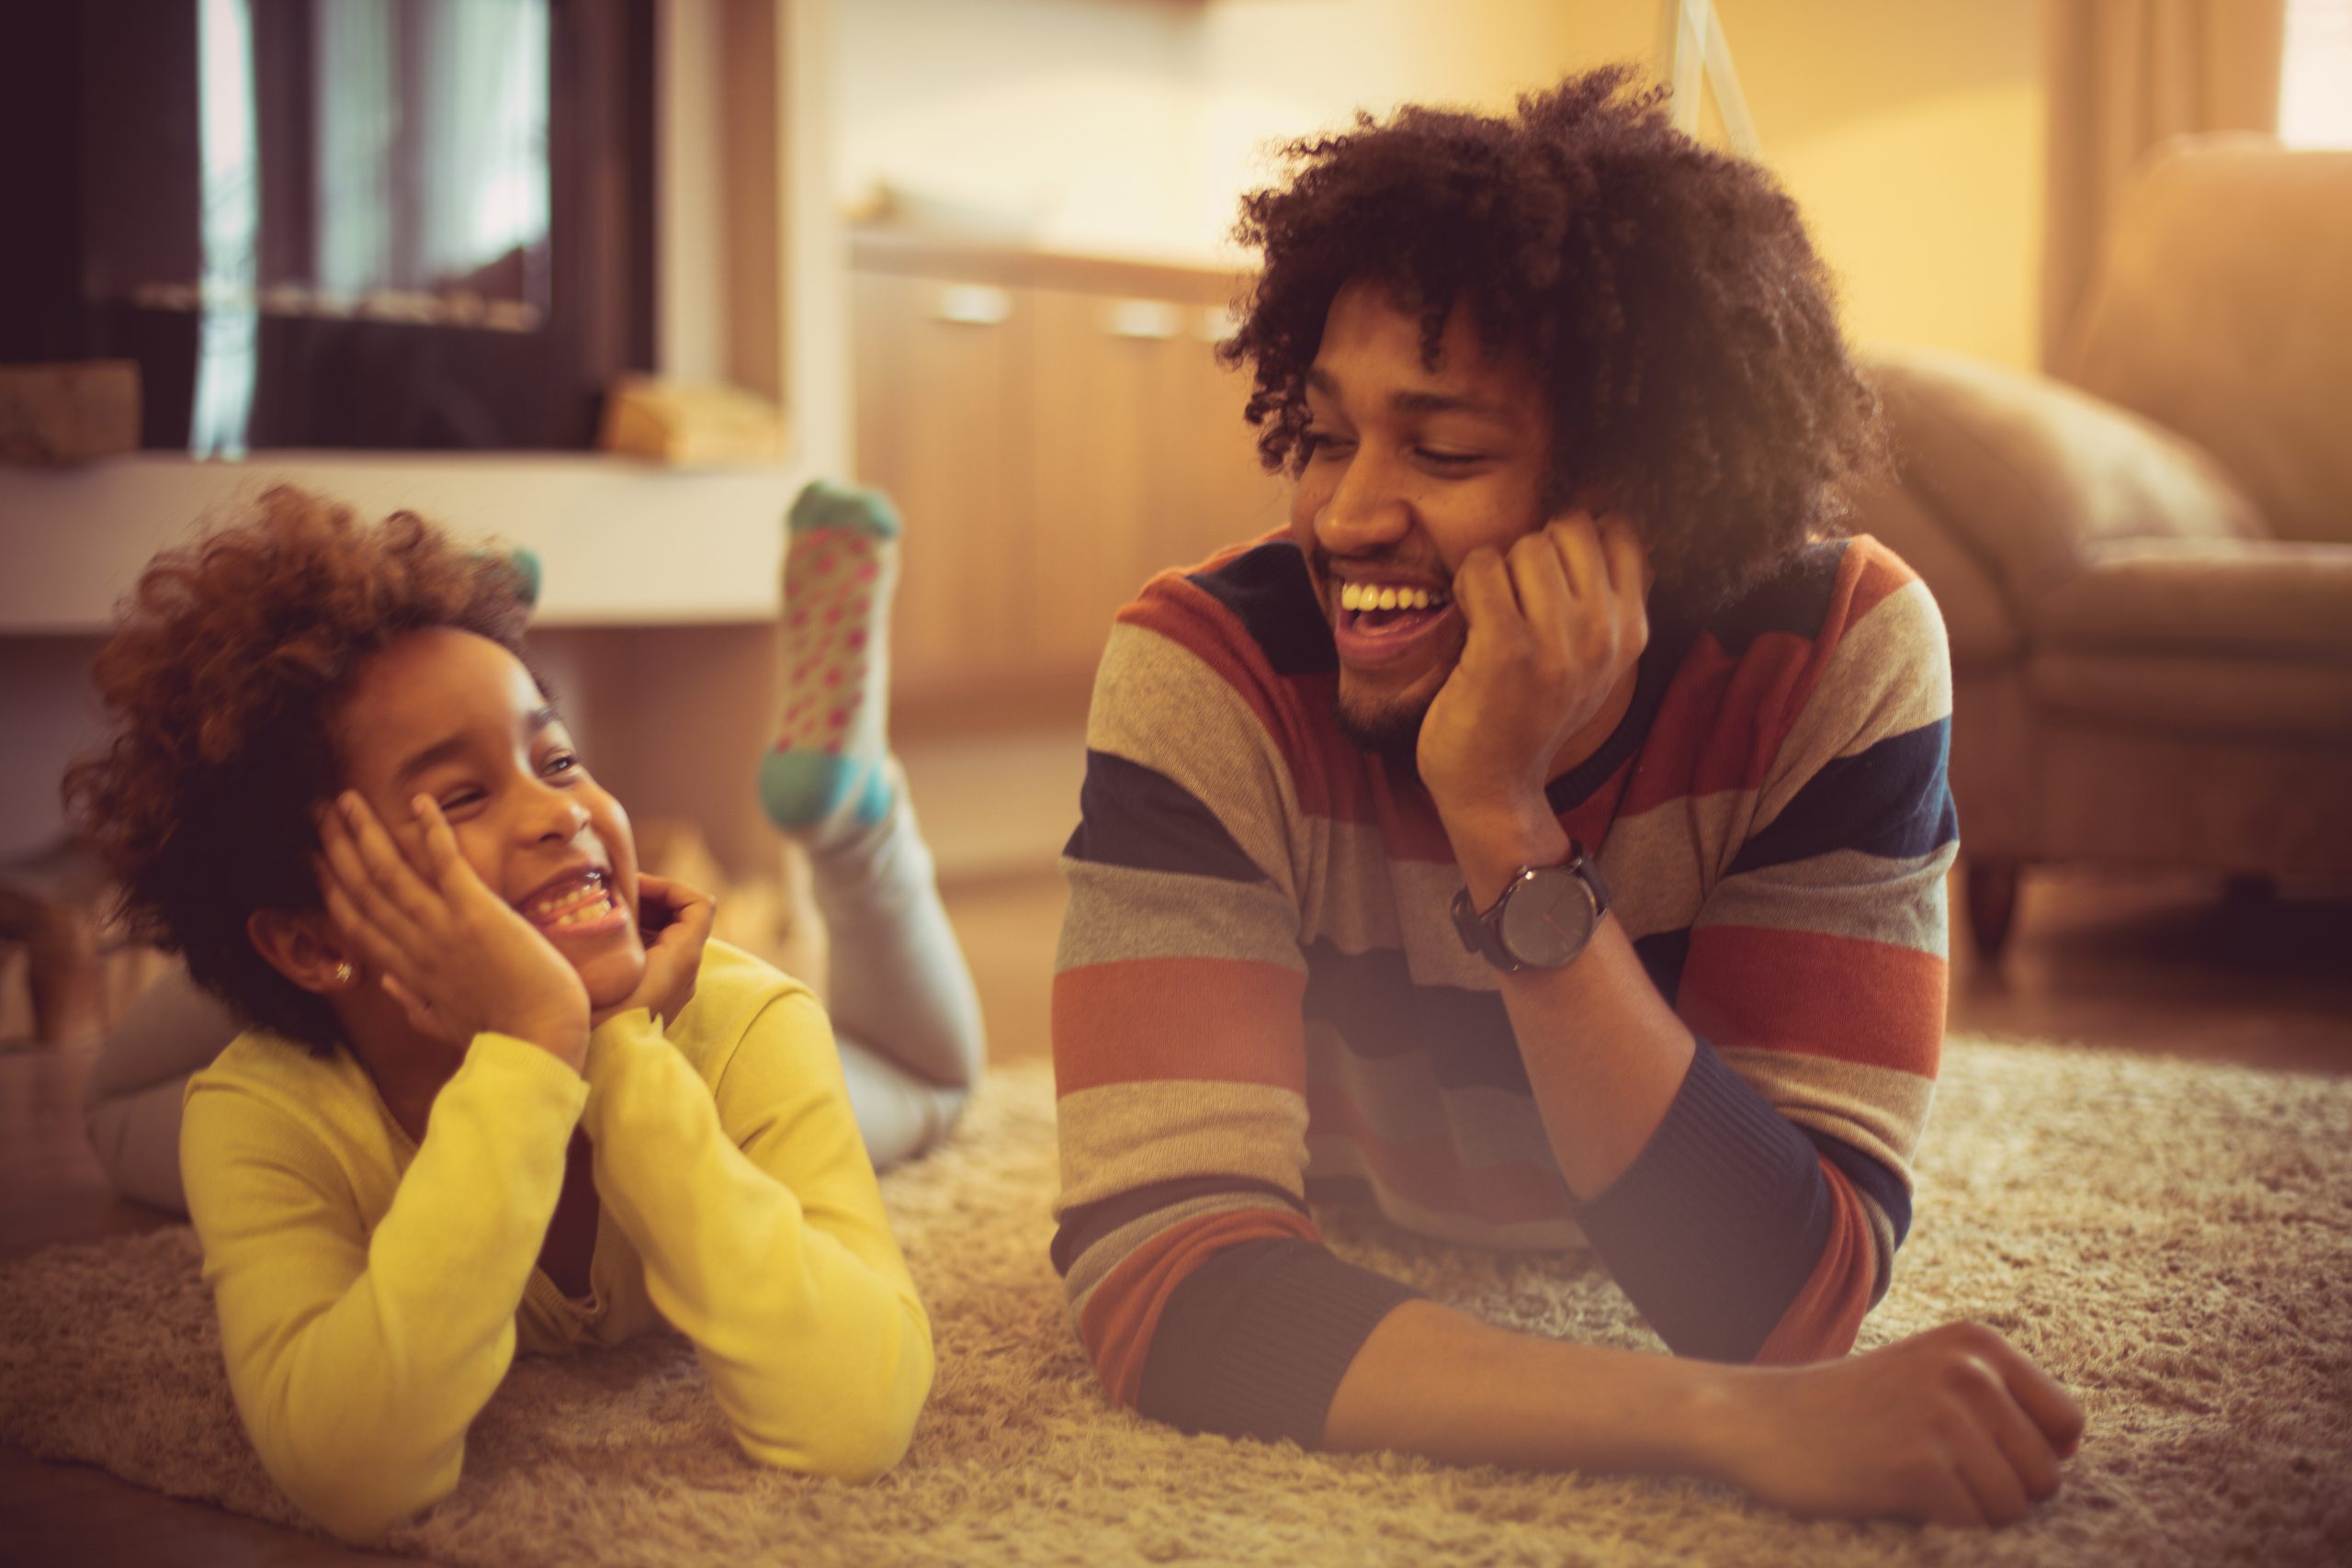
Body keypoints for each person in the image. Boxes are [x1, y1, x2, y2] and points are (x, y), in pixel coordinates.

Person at [1050, 68, 2085, 1529]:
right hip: (1359, 1231)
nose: (1345, 515)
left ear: (1640, 491)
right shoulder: (1204, 668)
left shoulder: (1835, 653)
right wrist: (1721, 1423)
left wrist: (1503, 822)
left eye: (1446, 448)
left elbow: (1783, 1294)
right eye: (1329, 433)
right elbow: (1165, 1279)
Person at [65, 480, 982, 1541]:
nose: (561, 812)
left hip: (364, 977)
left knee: (929, 1087)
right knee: (126, 1099)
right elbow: (352, 1471)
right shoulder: (261, 1119)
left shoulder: (743, 1022)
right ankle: (850, 820)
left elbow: (854, 1414)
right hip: (322, 989)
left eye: (558, 758)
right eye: (462, 793)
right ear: (313, 940)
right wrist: (527, 1051)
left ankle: (289, 916)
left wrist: (621, 1044)